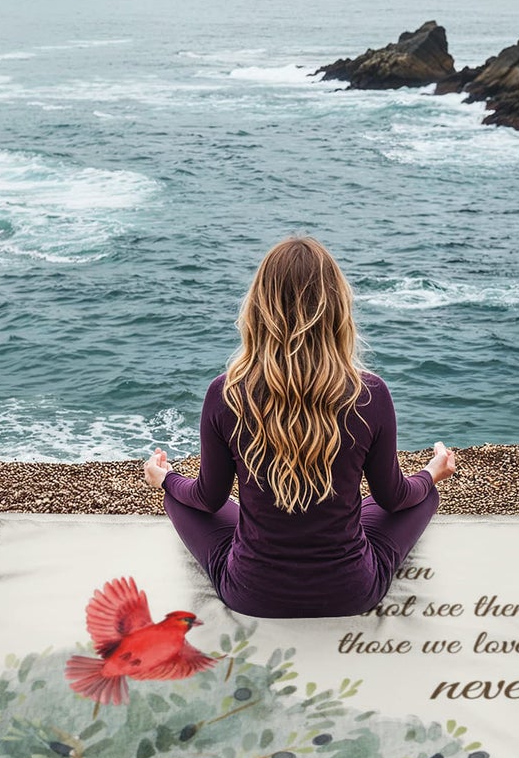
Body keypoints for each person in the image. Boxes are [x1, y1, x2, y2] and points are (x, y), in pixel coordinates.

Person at [143, 235, 457, 619]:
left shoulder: (225, 393)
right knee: (421, 496)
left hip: (250, 593)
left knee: (181, 499)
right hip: (352, 591)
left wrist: (166, 479)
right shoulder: (369, 393)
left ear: (259, 308)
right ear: (337, 308)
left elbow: (208, 499)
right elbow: (393, 498)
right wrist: (431, 472)